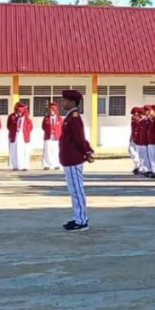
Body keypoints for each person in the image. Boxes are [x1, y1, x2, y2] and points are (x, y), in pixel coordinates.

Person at [59, 90, 95, 231]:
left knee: (77, 190)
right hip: (69, 159)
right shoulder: (69, 117)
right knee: (74, 190)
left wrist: (87, 151)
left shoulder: (74, 118)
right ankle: (78, 217)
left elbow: (79, 137)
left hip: (73, 159)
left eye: (66, 101)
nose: (64, 103)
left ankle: (81, 221)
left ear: (72, 102)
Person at [7, 101, 33, 172]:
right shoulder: (13, 118)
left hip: (24, 137)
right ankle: (15, 166)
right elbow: (9, 126)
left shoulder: (27, 119)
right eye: (18, 111)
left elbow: (30, 127)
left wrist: (25, 133)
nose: (19, 113)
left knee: (24, 151)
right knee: (15, 151)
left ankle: (25, 166)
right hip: (15, 136)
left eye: (21, 111)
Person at [42, 102, 64, 171]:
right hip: (48, 136)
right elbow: (43, 127)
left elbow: (63, 127)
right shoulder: (46, 118)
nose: (51, 111)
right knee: (47, 150)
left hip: (57, 137)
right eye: (50, 110)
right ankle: (47, 165)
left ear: (55, 110)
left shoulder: (60, 119)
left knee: (56, 151)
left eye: (53, 110)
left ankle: (56, 164)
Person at [145, 106, 155, 178]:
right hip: (149, 140)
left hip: (153, 141)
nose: (150, 112)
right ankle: (152, 170)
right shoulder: (151, 120)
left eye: (151, 111)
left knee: (154, 157)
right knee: (151, 157)